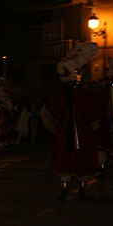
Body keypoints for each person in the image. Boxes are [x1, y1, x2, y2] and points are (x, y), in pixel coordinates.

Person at [41, 43, 99, 201]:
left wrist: (55, 129)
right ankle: (81, 191)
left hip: (63, 132)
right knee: (82, 159)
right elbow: (92, 115)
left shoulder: (56, 95)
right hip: (82, 132)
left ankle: (64, 191)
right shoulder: (84, 95)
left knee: (64, 158)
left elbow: (46, 114)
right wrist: (93, 127)